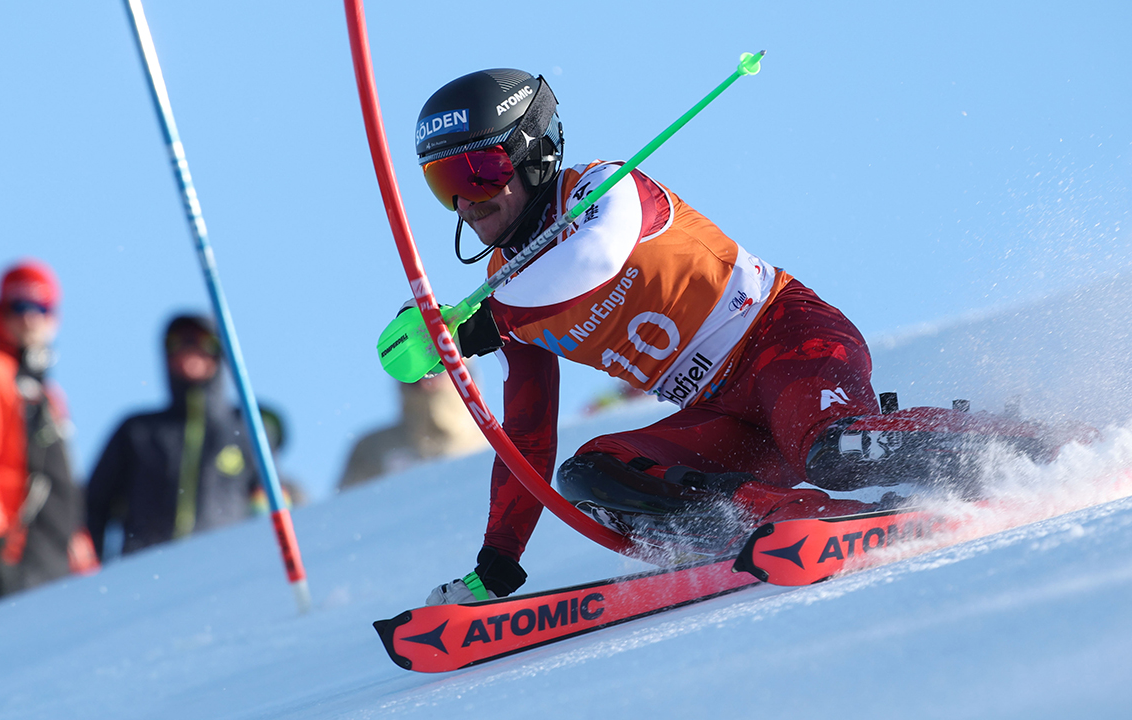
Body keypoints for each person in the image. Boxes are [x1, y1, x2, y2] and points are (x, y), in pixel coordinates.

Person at [409, 69, 1070, 605]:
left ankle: (1045, 443)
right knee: (595, 474)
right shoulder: (506, 291)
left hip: (786, 342)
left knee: (834, 449)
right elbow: (527, 436)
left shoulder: (606, 191)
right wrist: (498, 559)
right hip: (723, 414)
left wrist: (486, 323)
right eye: (446, 185)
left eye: (480, 172)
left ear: (533, 153)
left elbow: (594, 262)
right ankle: (793, 515)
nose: (468, 202)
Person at [86, 314, 300, 559]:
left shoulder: (246, 429)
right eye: (178, 342)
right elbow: (93, 507)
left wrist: (267, 559)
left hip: (220, 570)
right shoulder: (138, 432)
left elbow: (272, 504)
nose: (190, 351)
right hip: (145, 571)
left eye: (201, 341)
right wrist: (95, 569)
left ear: (218, 352)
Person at [0, 260, 97, 600]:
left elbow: (61, 479)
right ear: (1, 310)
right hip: (10, 552)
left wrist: (80, 546)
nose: (30, 318)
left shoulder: (45, 393)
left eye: (41, 308)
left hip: (53, 554)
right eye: (20, 306)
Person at [338, 374, 488, 491]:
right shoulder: (373, 448)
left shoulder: (492, 449)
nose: (426, 382)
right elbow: (346, 515)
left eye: (437, 371)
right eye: (415, 376)